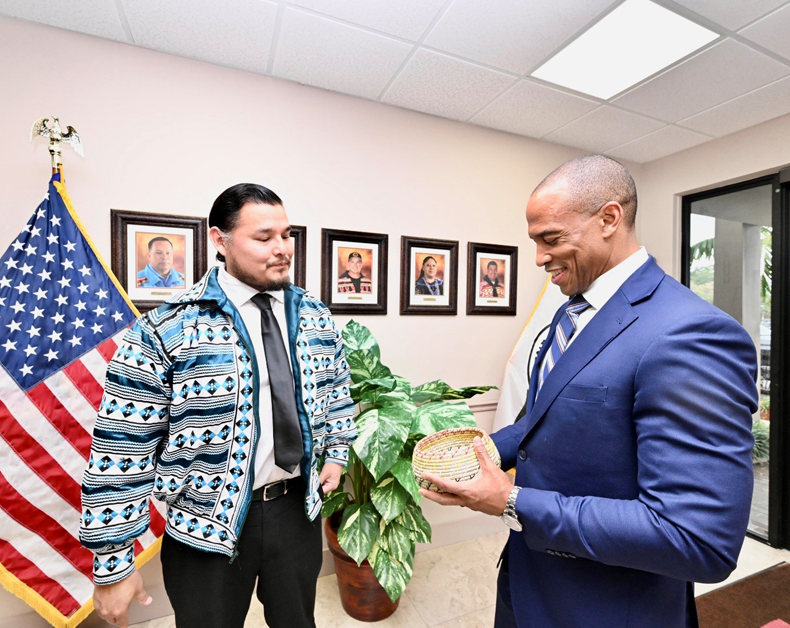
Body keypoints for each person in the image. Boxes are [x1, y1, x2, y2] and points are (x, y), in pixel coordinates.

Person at [421, 155, 758, 628]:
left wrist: (512, 502)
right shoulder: (572, 313)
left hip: (606, 608)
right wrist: (482, 453)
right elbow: (545, 419)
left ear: (609, 218)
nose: (538, 257)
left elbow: (696, 539)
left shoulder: (692, 334)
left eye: (550, 238)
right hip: (528, 582)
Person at [80, 183, 356, 628]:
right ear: (219, 240)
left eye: (287, 236)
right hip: (203, 526)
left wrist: (337, 453)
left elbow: (337, 389)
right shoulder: (167, 328)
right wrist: (113, 564)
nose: (282, 249)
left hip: (295, 512)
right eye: (264, 238)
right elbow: (121, 448)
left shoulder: (314, 316)